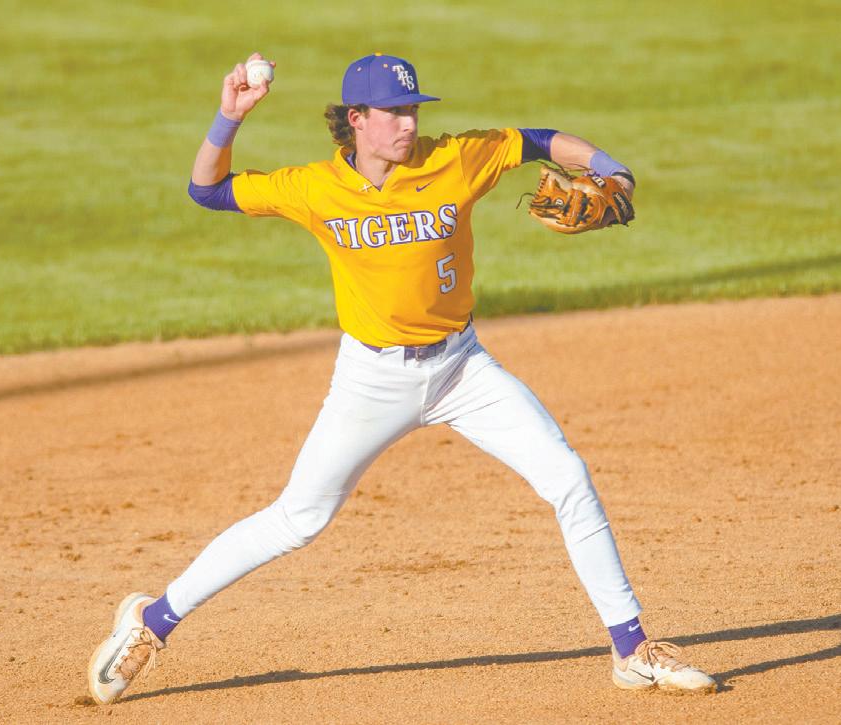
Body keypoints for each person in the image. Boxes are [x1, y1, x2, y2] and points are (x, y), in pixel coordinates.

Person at [88, 52, 716, 704]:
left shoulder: (455, 160)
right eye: (393, 113)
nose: (409, 124)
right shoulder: (316, 188)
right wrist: (229, 117)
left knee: (568, 478)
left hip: (462, 369)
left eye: (413, 110)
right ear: (356, 119)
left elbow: (536, 140)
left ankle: (632, 651)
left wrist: (610, 166)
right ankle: (151, 620)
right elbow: (207, 190)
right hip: (371, 381)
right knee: (299, 518)